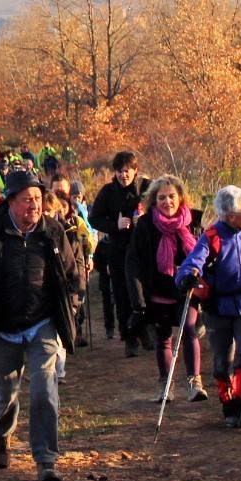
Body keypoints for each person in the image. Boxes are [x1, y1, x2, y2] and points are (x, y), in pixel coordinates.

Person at [0, 168, 83, 481]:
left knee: (44, 388)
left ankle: (45, 459)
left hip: (42, 322)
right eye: (27, 200)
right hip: (1, 326)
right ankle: (0, 434)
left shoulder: (51, 232)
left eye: (38, 199)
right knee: (6, 389)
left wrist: (71, 309)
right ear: (10, 202)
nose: (34, 206)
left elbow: (73, 277)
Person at [174, 185, 241, 428]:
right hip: (217, 307)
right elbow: (193, 263)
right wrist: (188, 276)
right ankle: (229, 405)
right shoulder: (212, 237)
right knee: (223, 359)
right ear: (229, 215)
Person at [130, 175, 205, 403]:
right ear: (154, 200)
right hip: (158, 288)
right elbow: (133, 262)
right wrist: (138, 300)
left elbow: (206, 254)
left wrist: (196, 273)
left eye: (172, 196)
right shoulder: (145, 225)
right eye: (161, 197)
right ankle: (166, 383)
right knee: (163, 338)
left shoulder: (194, 221)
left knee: (189, 329)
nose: (167, 202)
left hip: (187, 288)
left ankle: (194, 382)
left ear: (180, 197)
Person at [89, 151, 151, 354]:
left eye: (127, 171)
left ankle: (145, 331)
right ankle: (128, 337)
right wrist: (114, 225)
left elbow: (160, 211)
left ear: (135, 171)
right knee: (122, 294)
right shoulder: (107, 192)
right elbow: (94, 218)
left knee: (144, 291)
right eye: (119, 171)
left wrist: (144, 218)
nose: (123, 175)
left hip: (142, 249)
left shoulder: (146, 189)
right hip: (118, 249)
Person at [44, 173, 97, 366]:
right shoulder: (47, 212)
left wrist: (90, 255)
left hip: (77, 260)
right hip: (56, 265)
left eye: (63, 190)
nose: (60, 193)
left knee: (77, 298)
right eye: (56, 189)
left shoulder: (77, 216)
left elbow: (90, 235)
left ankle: (75, 331)